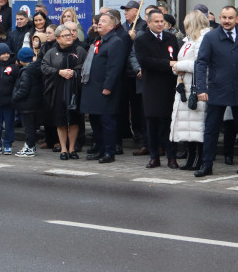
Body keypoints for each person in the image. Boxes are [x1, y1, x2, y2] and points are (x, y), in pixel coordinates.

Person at [193, 6, 238, 176]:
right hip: (216, 89)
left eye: (231, 18)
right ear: (219, 17)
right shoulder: (211, 37)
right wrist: (201, 89)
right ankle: (207, 165)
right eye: (224, 17)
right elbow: (201, 63)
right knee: (211, 130)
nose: (227, 21)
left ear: (237, 19)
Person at [133, 9, 180, 168]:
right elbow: (146, 62)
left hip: (169, 86)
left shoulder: (171, 38)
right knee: (152, 123)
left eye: (162, 21)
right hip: (152, 87)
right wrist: (168, 64)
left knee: (169, 123)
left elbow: (176, 58)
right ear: (149, 23)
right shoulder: (142, 40)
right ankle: (154, 156)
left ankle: (171, 157)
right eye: (156, 22)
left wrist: (172, 64)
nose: (160, 24)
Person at [80, 11, 128, 163]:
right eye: (99, 21)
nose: (99, 23)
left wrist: (108, 86)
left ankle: (109, 152)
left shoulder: (116, 42)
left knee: (107, 122)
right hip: (93, 88)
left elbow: (114, 67)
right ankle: (100, 149)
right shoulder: (98, 41)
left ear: (112, 26)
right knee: (95, 121)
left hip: (105, 89)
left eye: (103, 21)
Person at [169, 11, 208, 172]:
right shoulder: (189, 41)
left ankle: (198, 159)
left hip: (195, 88)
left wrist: (178, 66)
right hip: (184, 87)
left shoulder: (202, 40)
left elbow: (202, 65)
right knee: (189, 128)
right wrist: (177, 67)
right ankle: (191, 158)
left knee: (197, 127)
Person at [41, 27, 84, 159]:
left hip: (75, 89)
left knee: (74, 120)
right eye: (65, 35)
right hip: (58, 89)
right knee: (61, 120)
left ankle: (72, 149)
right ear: (58, 38)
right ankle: (63, 149)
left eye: (70, 35)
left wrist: (74, 72)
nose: (69, 37)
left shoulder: (79, 50)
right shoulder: (52, 52)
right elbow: (44, 66)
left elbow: (86, 65)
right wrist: (59, 72)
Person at [13, 46, 45, 157]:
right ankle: (30, 146)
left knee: (28, 128)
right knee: (31, 127)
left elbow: (23, 89)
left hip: (26, 104)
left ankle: (29, 147)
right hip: (35, 103)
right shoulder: (36, 69)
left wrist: (15, 98)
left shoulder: (26, 72)